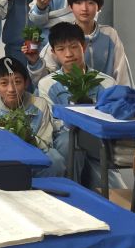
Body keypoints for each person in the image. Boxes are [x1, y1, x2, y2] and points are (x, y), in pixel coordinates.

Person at [28, 22, 116, 186]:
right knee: (70, 142)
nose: (68, 54)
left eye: (74, 47)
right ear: (53, 53)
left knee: (114, 190)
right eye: (61, 49)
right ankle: (71, 191)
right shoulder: (47, 84)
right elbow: (52, 121)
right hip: (65, 139)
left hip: (98, 142)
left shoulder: (106, 82)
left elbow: (110, 119)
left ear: (84, 46)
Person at [27, 0, 134, 87]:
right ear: (70, 7)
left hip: (106, 95)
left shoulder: (109, 34)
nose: (84, 8)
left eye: (91, 3)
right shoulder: (62, 34)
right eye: (78, 3)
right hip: (69, 96)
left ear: (99, 7)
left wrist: (124, 96)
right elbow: (45, 79)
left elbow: (122, 72)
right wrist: (35, 63)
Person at [0, 57, 64, 177]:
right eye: (4, 83)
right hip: (4, 161)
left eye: (17, 82)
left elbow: (46, 142)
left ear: (26, 83)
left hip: (35, 156)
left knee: (55, 159)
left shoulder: (40, 104)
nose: (11, 89)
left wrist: (27, 137)